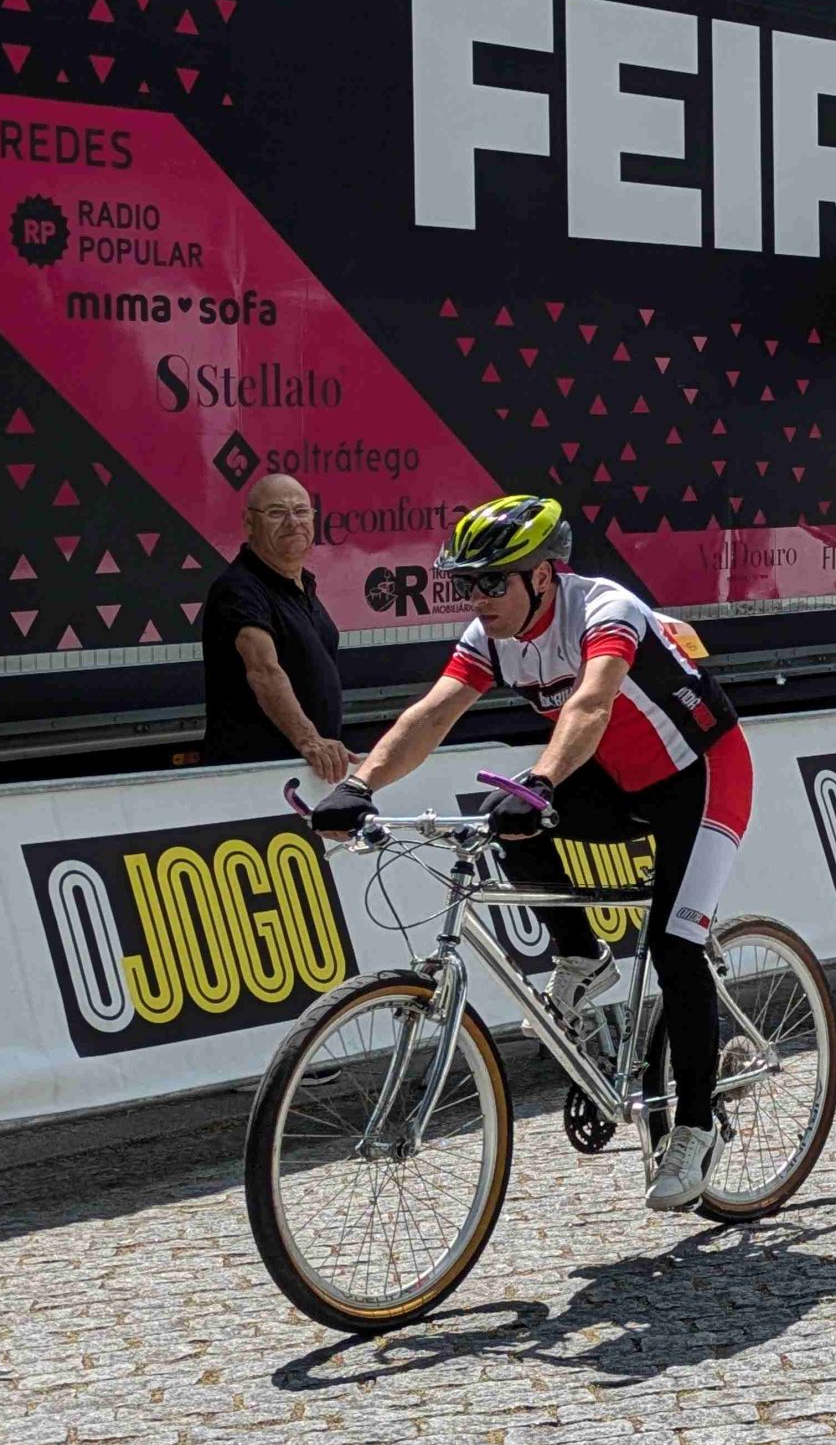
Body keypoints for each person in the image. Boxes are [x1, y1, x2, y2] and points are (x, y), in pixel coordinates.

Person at [309, 496, 751, 1214]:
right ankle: (583, 956)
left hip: (701, 776)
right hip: (614, 781)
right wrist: (360, 784)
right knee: (503, 819)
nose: (478, 598)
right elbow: (434, 713)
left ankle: (695, 1126)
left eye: (493, 582)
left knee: (675, 947)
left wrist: (543, 779)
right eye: (468, 584)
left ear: (543, 575)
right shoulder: (491, 636)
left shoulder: (605, 609)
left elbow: (591, 705)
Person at [199, 473, 350, 783]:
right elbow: (263, 671)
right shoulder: (239, 590)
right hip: (255, 777)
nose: (293, 522)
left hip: (303, 773)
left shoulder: (301, 584)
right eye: (277, 512)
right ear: (250, 522)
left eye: (301, 511)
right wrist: (310, 740)